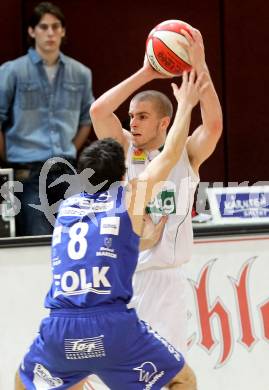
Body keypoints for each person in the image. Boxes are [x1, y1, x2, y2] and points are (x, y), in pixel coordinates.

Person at [15, 70, 205, 390]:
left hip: (60, 327)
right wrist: (184, 105)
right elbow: (171, 154)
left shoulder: (66, 210)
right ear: (121, 175)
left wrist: (140, 241)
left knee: (25, 380)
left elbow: (99, 241)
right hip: (111, 326)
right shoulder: (129, 197)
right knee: (183, 379)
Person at [90, 27, 222, 360]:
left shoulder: (186, 152)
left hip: (167, 281)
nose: (133, 122)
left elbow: (214, 125)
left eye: (143, 116)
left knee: (168, 374)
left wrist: (199, 66)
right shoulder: (121, 148)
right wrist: (148, 71)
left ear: (165, 123)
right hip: (126, 280)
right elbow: (98, 112)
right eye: (131, 116)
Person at [0, 2, 94, 236]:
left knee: (76, 237)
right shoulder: (12, 71)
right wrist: (8, 156)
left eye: (55, 27)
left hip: (66, 169)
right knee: (36, 238)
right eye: (43, 27)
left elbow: (87, 117)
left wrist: (72, 147)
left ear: (63, 31)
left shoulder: (81, 73)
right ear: (32, 32)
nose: (50, 33)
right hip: (28, 173)